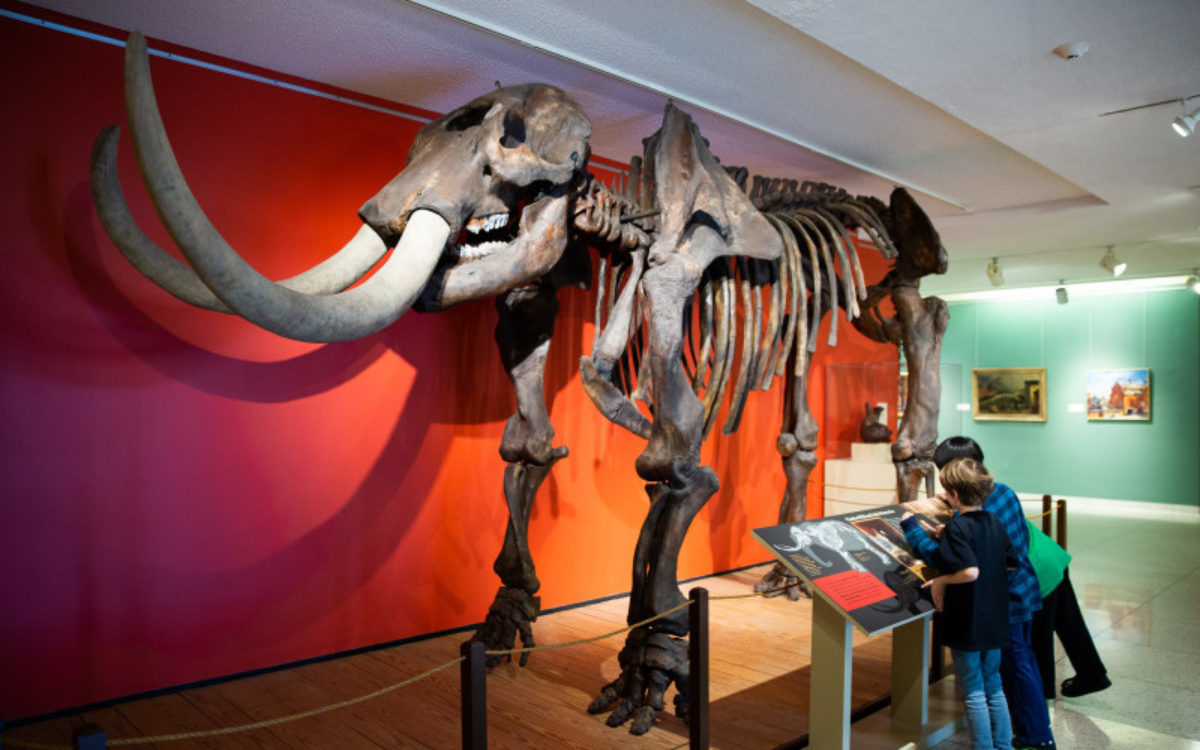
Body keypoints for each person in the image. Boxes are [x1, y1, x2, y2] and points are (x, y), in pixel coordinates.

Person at [916, 436, 1056, 750]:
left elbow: (971, 563)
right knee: (1015, 667)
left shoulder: (975, 514)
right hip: (1019, 592)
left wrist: (942, 565)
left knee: (1016, 667)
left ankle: (1037, 737)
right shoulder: (1000, 494)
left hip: (1005, 601)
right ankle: (1022, 735)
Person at [901, 457, 1017, 750]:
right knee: (994, 687)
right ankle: (1003, 745)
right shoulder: (993, 521)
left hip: (969, 621)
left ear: (952, 494)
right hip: (995, 620)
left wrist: (940, 578)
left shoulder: (957, 528)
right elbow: (1009, 564)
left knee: (974, 691)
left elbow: (968, 571)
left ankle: (983, 746)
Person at [1026, 518, 1112, 699]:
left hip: (1037, 569)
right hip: (1051, 556)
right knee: (1069, 620)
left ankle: (1042, 691)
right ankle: (1093, 674)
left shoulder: (965, 513)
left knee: (1039, 633)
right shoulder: (998, 492)